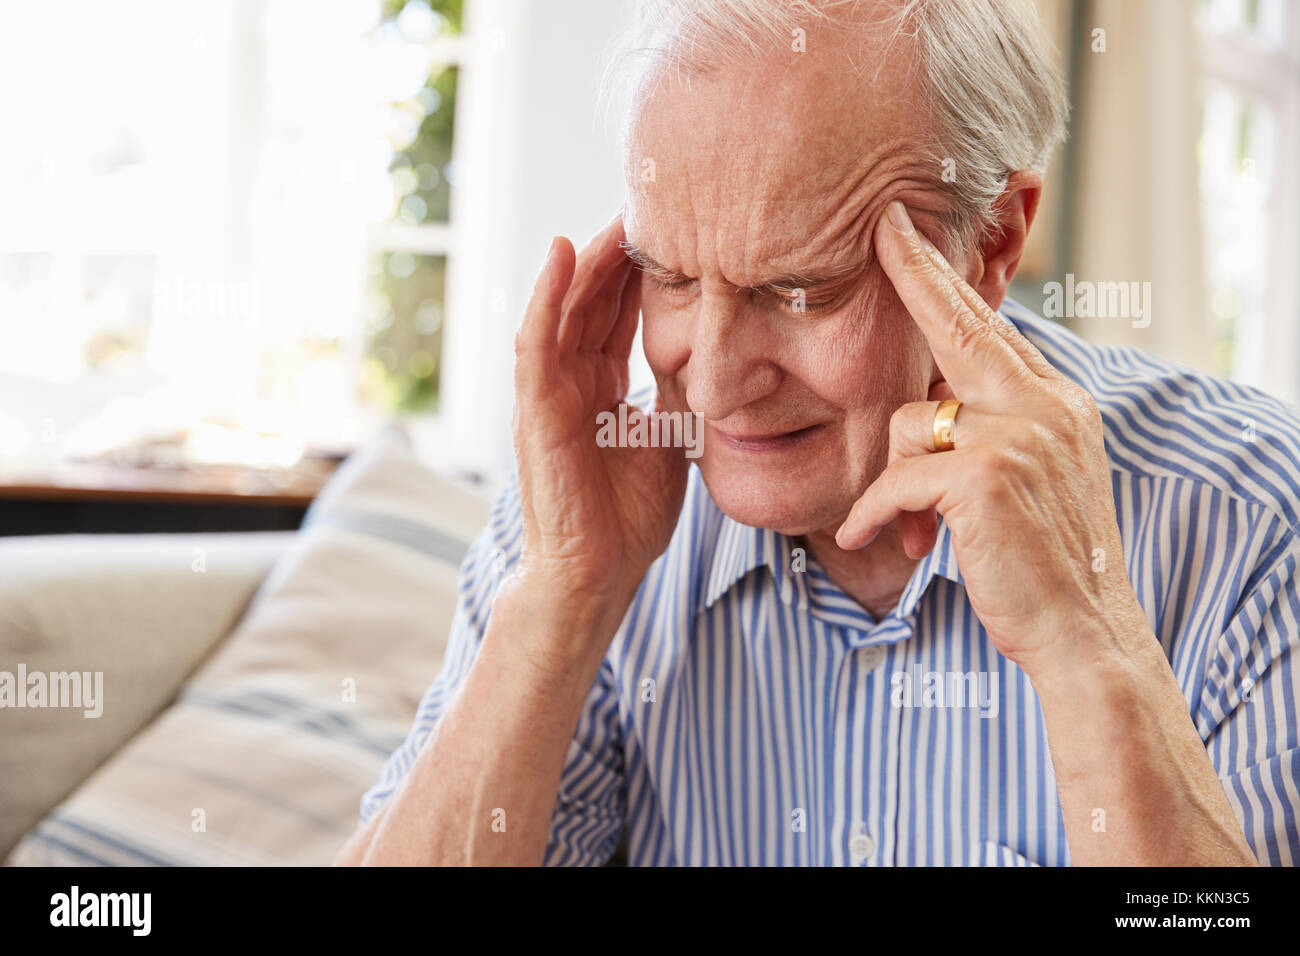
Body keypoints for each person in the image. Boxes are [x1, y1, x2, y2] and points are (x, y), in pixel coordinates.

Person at [336, 0, 1298, 866]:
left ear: (992, 243)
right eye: (669, 275)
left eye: (801, 289)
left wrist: (1091, 647)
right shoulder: (589, 507)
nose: (711, 384)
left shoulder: (1256, 530)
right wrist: (566, 597)